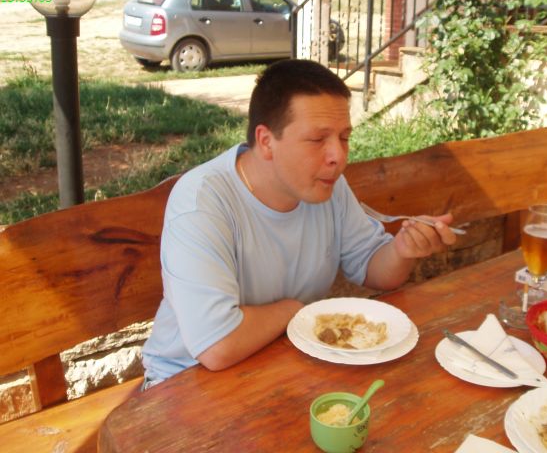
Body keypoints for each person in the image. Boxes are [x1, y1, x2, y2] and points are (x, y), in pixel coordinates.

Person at [141, 59, 456, 388]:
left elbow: (372, 267)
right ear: (266, 141)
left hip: (284, 364)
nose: (338, 156)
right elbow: (217, 346)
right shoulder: (202, 203)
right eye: (318, 139)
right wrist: (295, 311)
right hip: (184, 382)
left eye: (344, 137)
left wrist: (402, 250)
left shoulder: (327, 185)